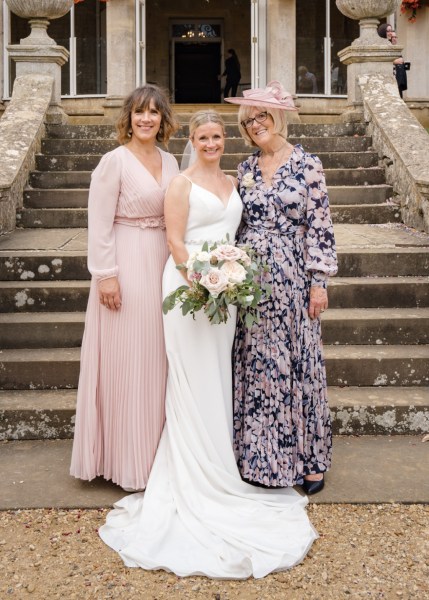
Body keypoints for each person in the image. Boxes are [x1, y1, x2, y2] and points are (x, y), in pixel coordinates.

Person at [99, 110, 317, 579]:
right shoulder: (180, 184)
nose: (212, 143)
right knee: (191, 377)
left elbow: (234, 235)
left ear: (226, 139)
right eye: (204, 136)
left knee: (218, 376)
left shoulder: (235, 180)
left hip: (227, 293)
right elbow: (177, 241)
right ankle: (194, 476)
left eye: (218, 136)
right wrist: (203, 282)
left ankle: (222, 466)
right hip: (190, 291)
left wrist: (228, 280)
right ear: (192, 141)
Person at [225, 81, 337, 496]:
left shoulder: (308, 165)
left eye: (262, 116)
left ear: (279, 118)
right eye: (248, 120)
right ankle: (259, 459)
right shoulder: (246, 169)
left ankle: (309, 461)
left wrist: (318, 282)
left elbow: (319, 226)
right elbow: (235, 224)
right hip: (251, 281)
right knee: (258, 365)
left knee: (297, 363)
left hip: (292, 277)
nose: (256, 125)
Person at [70, 85, 179, 492]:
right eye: (139, 112)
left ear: (163, 119)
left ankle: (153, 457)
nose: (146, 119)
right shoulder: (112, 162)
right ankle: (119, 457)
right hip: (125, 263)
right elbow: (98, 222)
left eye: (153, 112)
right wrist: (105, 274)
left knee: (155, 359)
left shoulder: (170, 162)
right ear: (128, 118)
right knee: (125, 359)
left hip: (162, 266)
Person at [390, 31, 409, 98]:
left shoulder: (397, 49)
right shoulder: (385, 49)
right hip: (391, 81)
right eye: (392, 37)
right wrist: (394, 61)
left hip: (399, 82)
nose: (394, 39)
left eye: (395, 37)